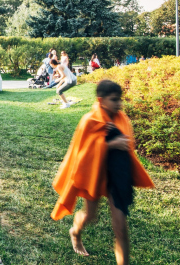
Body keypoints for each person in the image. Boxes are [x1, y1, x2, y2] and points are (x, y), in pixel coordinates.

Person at [51, 80, 154, 265]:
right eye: (114, 100)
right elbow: (82, 154)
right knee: (90, 216)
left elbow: (128, 146)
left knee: (121, 227)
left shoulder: (121, 119)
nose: (119, 104)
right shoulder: (89, 120)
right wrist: (109, 144)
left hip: (117, 178)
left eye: (120, 100)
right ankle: (75, 232)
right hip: (95, 175)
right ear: (101, 100)